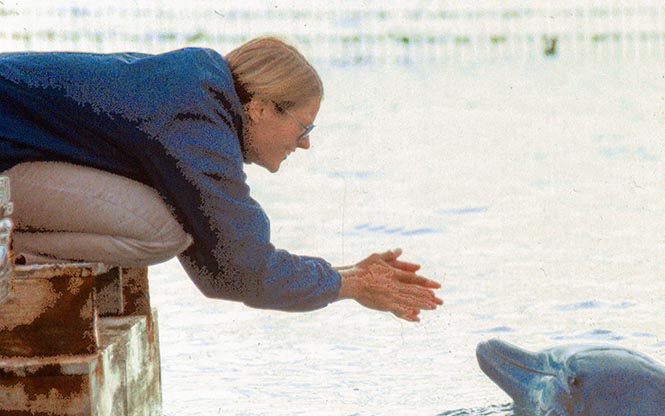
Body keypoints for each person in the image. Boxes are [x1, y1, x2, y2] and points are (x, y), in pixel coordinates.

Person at [0, 36, 441, 322]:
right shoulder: (196, 118)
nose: (304, 144)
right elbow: (247, 269)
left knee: (171, 224)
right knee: (162, 232)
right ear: (263, 107)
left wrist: (348, 275)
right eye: (304, 127)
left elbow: (222, 271)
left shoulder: (199, 97)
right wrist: (352, 284)